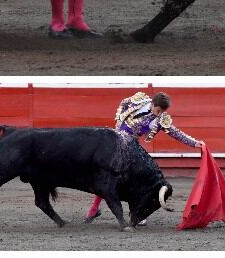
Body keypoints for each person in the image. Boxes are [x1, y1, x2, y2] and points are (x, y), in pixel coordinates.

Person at [86, 91, 204, 223]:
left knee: (139, 178)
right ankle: (93, 209)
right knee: (105, 175)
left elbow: (176, 133)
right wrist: (118, 126)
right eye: (158, 110)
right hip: (115, 143)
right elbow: (123, 104)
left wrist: (194, 143)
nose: (159, 114)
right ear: (153, 104)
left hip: (131, 149)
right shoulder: (139, 100)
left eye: (162, 112)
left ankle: (139, 213)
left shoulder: (161, 119)